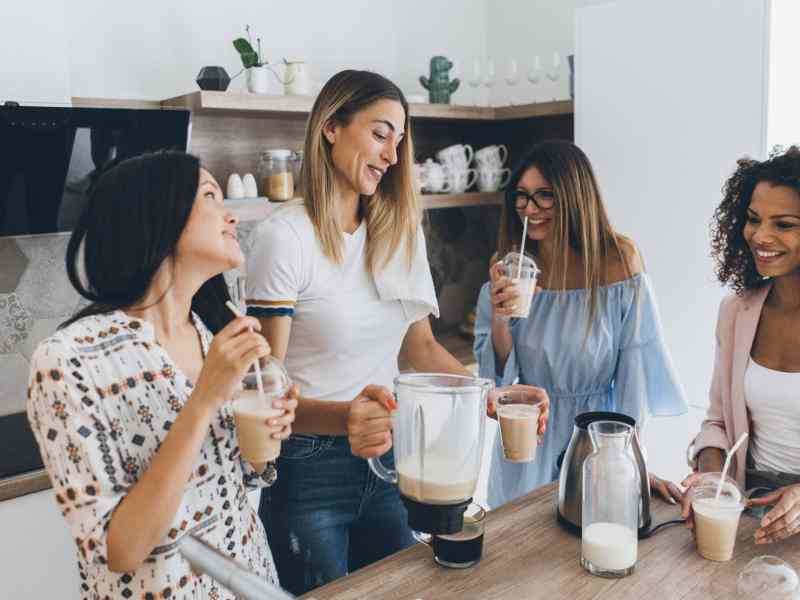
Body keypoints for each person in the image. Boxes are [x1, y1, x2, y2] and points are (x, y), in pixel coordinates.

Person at [245, 69, 547, 595]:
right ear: (331, 127)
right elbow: (266, 393)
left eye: (399, 140)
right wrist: (346, 418)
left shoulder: (396, 229)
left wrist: (489, 396)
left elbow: (420, 348)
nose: (391, 154)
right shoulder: (284, 237)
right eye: (380, 133)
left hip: (390, 460)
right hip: (309, 471)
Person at [26, 151, 297, 599]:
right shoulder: (69, 359)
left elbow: (237, 478)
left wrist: (266, 437)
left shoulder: (213, 335)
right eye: (210, 194)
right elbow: (122, 550)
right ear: (158, 216)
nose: (231, 215)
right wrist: (205, 398)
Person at [474, 140, 688, 509]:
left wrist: (629, 457)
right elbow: (498, 383)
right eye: (522, 196)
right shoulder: (511, 264)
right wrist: (499, 319)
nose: (530, 208)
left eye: (545, 195)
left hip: (594, 437)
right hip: (527, 436)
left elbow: (633, 372)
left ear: (574, 195)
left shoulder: (619, 261)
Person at [683, 147, 800, 545]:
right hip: (750, 514)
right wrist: (711, 479)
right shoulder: (737, 311)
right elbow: (717, 423)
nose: (760, 236)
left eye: (783, 224)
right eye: (753, 220)